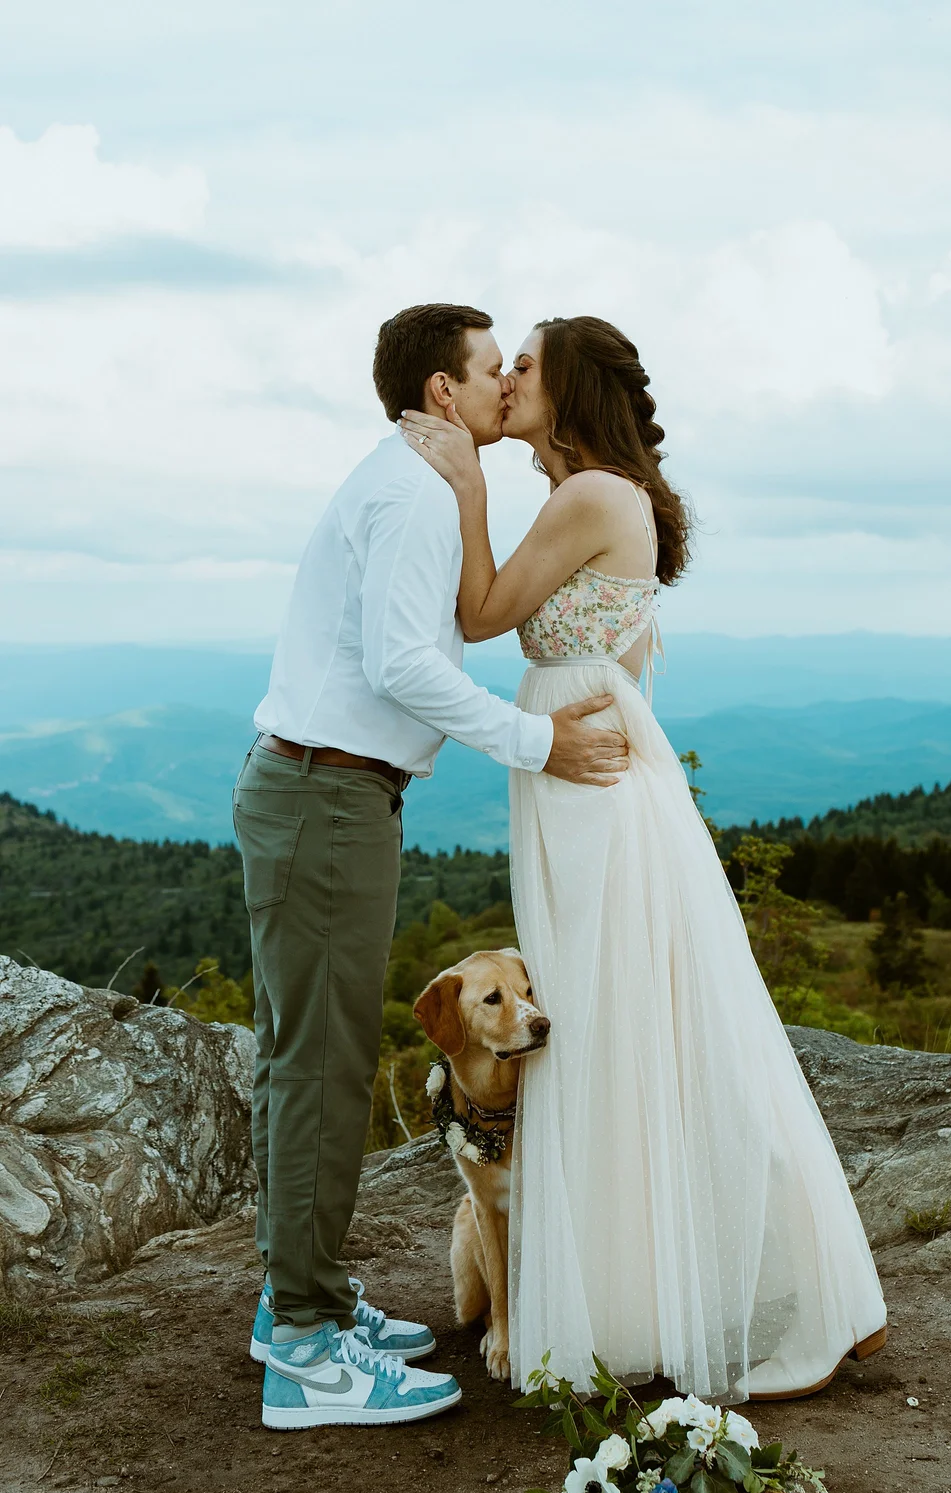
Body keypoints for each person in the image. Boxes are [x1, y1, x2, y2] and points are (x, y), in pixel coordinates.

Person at [400, 314, 888, 1403]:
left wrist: (465, 483)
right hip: (580, 767)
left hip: (587, 784)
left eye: (528, 364)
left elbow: (479, 612)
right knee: (618, 1032)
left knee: (614, 1029)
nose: (509, 378)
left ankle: (791, 1291)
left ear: (569, 388)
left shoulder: (588, 494)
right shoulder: (599, 493)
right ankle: (658, 1289)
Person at [232, 304, 629, 1430]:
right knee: (322, 1068)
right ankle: (305, 1356)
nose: (508, 383)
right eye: (493, 368)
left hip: (326, 791)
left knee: (303, 1058)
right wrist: (536, 741)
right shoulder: (411, 491)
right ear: (442, 392)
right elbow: (406, 663)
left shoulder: (414, 482)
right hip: (327, 796)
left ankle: (299, 1303)